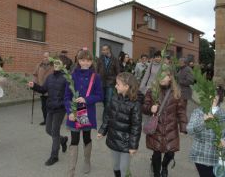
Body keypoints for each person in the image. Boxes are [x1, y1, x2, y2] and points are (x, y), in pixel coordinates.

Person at [142, 68, 187, 177]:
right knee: (156, 153)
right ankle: (157, 173)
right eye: (160, 76)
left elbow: (181, 111)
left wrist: (183, 127)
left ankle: (165, 166)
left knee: (170, 153)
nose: (162, 78)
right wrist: (149, 108)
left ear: (170, 77)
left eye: (165, 76)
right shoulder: (152, 91)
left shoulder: (176, 93)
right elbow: (144, 107)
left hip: (171, 128)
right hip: (156, 128)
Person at [65, 48, 103, 177]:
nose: (85, 63)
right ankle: (71, 170)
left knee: (86, 138)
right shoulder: (72, 75)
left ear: (92, 61)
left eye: (88, 60)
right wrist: (69, 111)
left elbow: (99, 96)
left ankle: (87, 161)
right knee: (74, 140)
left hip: (87, 112)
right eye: (82, 60)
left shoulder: (95, 76)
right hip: (74, 113)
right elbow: (66, 96)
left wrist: (86, 99)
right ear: (78, 60)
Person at [97, 72, 142, 177]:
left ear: (126, 87)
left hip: (126, 143)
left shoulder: (135, 104)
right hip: (113, 138)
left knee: (123, 168)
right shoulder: (114, 98)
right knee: (116, 165)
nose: (115, 86)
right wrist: (102, 131)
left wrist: (133, 146)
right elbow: (108, 116)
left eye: (118, 84)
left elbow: (136, 127)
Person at [187, 86, 225, 177]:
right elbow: (190, 130)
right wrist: (203, 122)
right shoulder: (198, 112)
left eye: (216, 95)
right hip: (201, 156)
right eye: (211, 94)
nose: (213, 97)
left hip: (217, 158)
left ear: (220, 97)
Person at [28, 59, 68, 166]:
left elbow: (69, 95)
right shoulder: (50, 77)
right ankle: (63, 139)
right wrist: (34, 86)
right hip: (50, 107)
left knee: (54, 131)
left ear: (64, 65)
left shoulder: (66, 78)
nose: (56, 65)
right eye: (55, 64)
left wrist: (67, 107)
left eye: (59, 64)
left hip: (60, 108)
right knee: (48, 130)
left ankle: (54, 156)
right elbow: (43, 89)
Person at [96, 44, 120, 119]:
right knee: (104, 99)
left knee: (108, 101)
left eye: (104, 49)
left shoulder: (115, 59)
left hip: (110, 83)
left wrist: (117, 81)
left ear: (108, 50)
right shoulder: (100, 59)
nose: (102, 51)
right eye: (102, 49)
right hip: (101, 82)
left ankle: (105, 117)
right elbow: (97, 69)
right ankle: (108, 112)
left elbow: (118, 71)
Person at [33, 52, 54, 125]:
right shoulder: (39, 65)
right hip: (41, 88)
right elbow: (35, 75)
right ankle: (45, 120)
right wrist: (34, 86)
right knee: (43, 106)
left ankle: (51, 120)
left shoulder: (53, 65)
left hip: (51, 89)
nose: (45, 58)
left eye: (47, 57)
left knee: (50, 106)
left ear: (50, 58)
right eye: (44, 57)